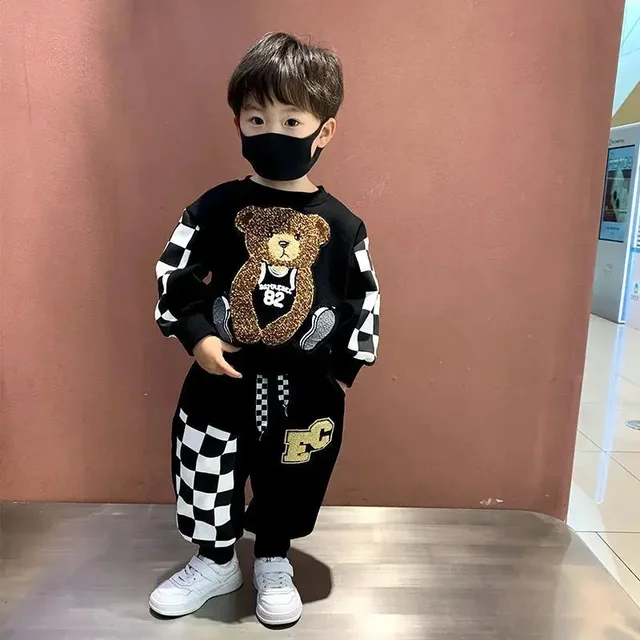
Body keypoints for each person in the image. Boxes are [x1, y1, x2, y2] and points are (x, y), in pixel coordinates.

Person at [149, 32, 380, 627]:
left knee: (293, 478)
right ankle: (215, 561)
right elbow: (174, 270)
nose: (273, 132)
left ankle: (274, 559)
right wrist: (197, 334)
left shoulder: (343, 226)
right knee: (205, 468)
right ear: (238, 125)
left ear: (324, 130)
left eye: (292, 120)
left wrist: (342, 374)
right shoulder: (215, 208)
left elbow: (365, 300)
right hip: (218, 381)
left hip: (306, 393)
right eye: (257, 120)